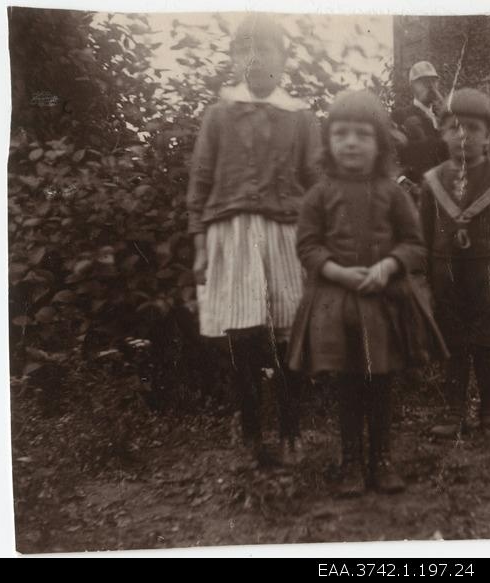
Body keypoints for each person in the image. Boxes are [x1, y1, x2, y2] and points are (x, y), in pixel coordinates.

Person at [288, 90, 448, 497]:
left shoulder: (392, 192)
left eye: (362, 134)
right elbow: (307, 247)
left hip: (384, 303)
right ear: (328, 143)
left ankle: (382, 459)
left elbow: (414, 244)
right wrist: (338, 271)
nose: (351, 142)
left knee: (380, 383)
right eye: (341, 134)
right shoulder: (319, 195)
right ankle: (351, 461)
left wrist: (387, 266)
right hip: (337, 304)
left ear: (379, 143)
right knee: (348, 385)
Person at [186, 14, 322, 466]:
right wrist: (202, 244)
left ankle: (290, 432)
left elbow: (315, 180)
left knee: (288, 334)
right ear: (233, 59)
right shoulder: (219, 116)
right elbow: (202, 181)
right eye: (245, 49)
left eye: (265, 49)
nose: (255, 58)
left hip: (285, 233)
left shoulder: (300, 117)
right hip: (233, 234)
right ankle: (250, 435)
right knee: (243, 336)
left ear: (283, 60)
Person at [419, 88, 490, 441]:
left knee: (486, 346)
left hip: (489, 279)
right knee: (453, 347)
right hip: (445, 279)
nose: (462, 135)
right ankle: (453, 411)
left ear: (487, 134)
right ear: (442, 132)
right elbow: (421, 236)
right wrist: (422, 283)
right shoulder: (432, 181)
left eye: (472, 128)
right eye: (453, 127)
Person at [392, 61, 449, 202]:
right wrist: (408, 187)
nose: (430, 86)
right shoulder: (400, 115)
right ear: (412, 86)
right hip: (414, 198)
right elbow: (391, 161)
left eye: (433, 81)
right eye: (423, 82)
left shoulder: (444, 118)